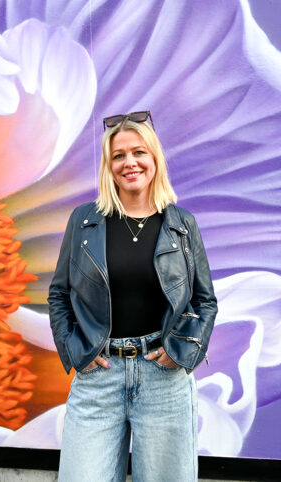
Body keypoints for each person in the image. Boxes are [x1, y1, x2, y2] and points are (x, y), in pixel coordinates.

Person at [48, 111, 218, 482]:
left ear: (154, 158)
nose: (130, 163)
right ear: (108, 166)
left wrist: (181, 352)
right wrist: (75, 350)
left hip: (164, 379)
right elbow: (60, 293)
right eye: (119, 155)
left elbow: (204, 300)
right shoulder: (84, 221)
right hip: (99, 376)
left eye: (139, 152)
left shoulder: (182, 224)